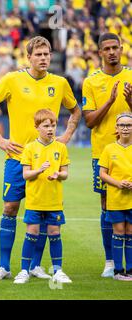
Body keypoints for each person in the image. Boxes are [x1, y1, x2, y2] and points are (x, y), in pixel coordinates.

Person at [0, 36, 81, 281]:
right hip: (16, 157)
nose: (44, 58)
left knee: (43, 212)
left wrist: (66, 135)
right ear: (29, 57)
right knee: (10, 208)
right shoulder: (12, 80)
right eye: (39, 54)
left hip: (46, 160)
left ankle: (35, 265)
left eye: (47, 54)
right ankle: (4, 267)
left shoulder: (60, 83)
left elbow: (76, 110)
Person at [82, 33, 132, 278]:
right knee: (107, 206)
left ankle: (129, 263)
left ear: (121, 49)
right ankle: (110, 261)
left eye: (115, 47)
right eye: (107, 49)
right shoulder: (91, 82)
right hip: (103, 154)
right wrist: (110, 102)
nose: (112, 52)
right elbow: (89, 121)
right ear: (100, 52)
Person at [13, 109, 72, 284]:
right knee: (32, 232)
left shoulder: (61, 148)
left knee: (54, 233)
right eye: (46, 126)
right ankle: (24, 271)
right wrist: (39, 170)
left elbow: (65, 173)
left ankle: (58, 271)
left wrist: (57, 175)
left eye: (53, 125)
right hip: (35, 200)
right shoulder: (30, 148)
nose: (50, 129)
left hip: (54, 201)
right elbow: (25, 175)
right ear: (37, 127)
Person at [99, 112, 132, 281]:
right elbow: (102, 173)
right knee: (119, 231)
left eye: (129, 125)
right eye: (122, 125)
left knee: (130, 232)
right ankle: (118, 271)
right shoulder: (109, 149)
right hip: (116, 198)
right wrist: (118, 183)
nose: (126, 128)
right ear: (116, 128)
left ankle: (131, 269)